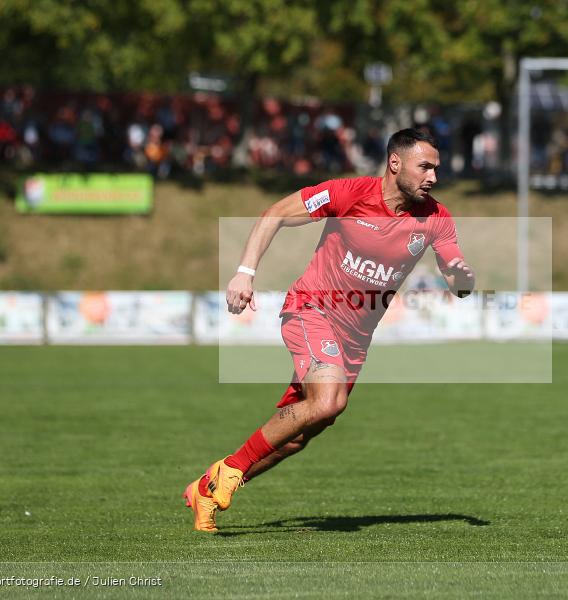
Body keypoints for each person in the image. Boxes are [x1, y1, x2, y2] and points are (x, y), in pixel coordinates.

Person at [184, 128, 475, 532]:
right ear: (395, 163)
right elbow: (275, 215)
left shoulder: (436, 218)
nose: (433, 177)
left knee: (301, 432)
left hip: (355, 339)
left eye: (436, 169)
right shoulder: (348, 193)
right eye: (425, 167)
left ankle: (206, 487)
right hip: (312, 309)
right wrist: (244, 274)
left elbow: (456, 276)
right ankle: (230, 468)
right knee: (328, 402)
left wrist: (463, 278)